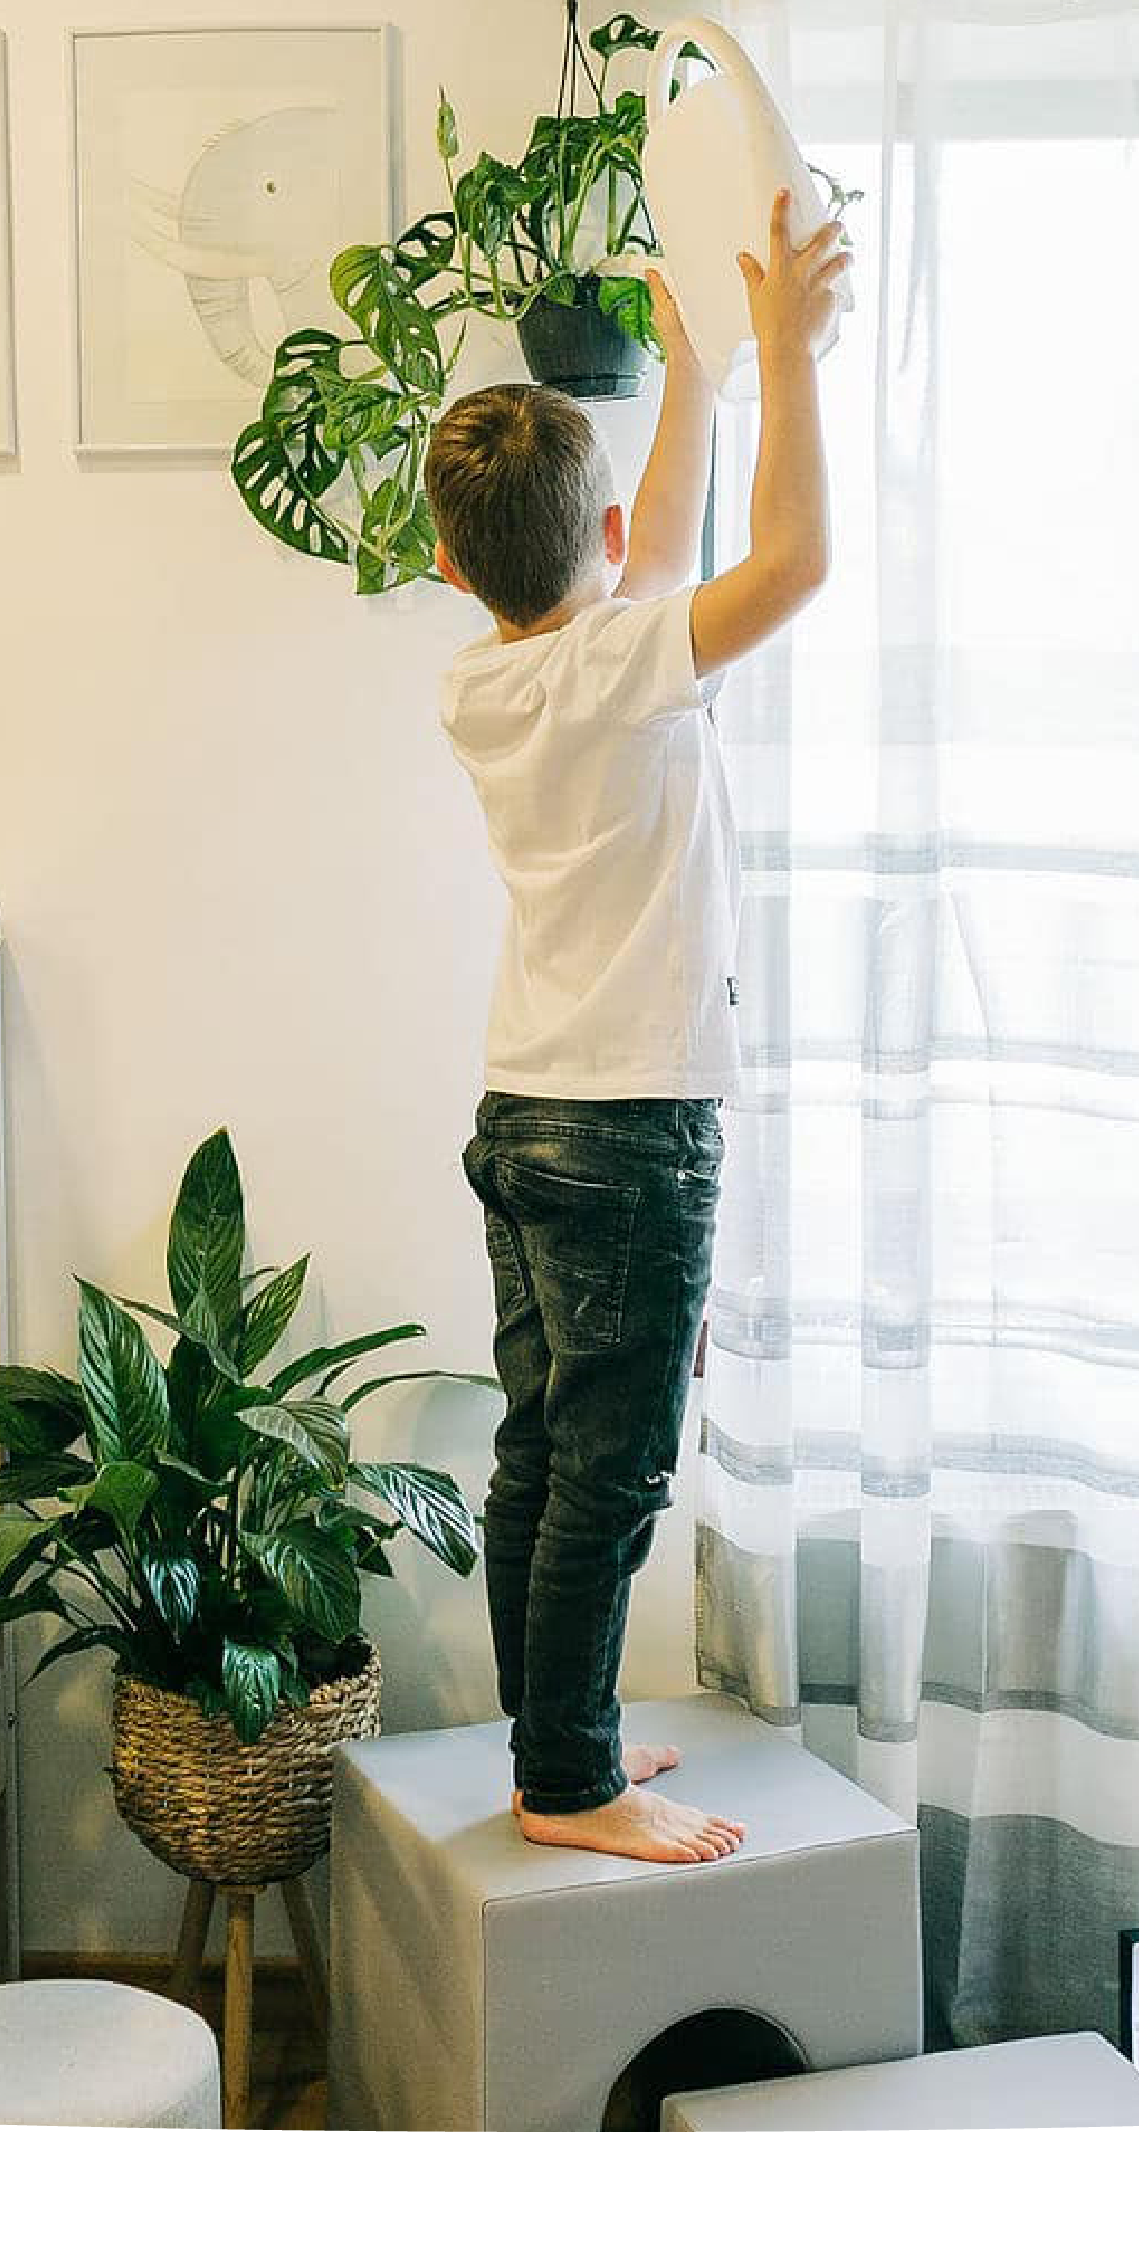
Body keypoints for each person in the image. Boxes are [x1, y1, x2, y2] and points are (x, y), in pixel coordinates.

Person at [428, 191, 850, 1863]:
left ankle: (554, 1751)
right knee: (606, 1478)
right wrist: (785, 367)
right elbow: (785, 563)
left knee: (540, 1450)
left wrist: (693, 360)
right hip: (626, 1131)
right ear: (593, 544)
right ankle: (573, 1783)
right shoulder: (618, 662)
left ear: (449, 565)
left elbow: (655, 559)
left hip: (526, 1113)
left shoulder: (487, 681)